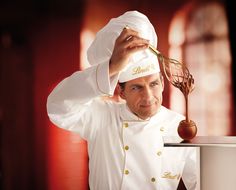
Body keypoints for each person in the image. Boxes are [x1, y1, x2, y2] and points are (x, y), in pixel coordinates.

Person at [47, 11, 197, 190]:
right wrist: (110, 68)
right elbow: (57, 106)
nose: (148, 96)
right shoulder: (101, 117)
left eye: (154, 84)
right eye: (136, 88)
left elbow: (200, 182)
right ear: (122, 92)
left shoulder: (178, 126)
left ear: (163, 83)